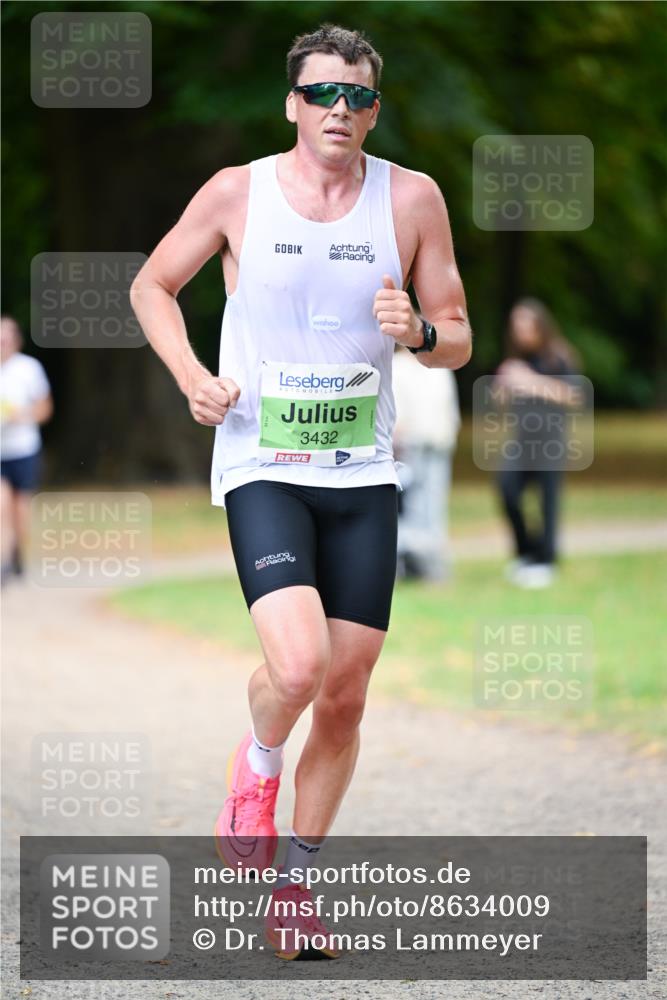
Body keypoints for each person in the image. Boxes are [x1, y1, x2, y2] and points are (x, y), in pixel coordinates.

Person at [130, 23, 471, 958]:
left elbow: (458, 330)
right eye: (322, 94)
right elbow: (153, 286)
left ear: (373, 110)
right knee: (296, 668)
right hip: (262, 461)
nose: (340, 111)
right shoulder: (238, 192)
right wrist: (194, 377)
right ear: (292, 103)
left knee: (349, 695)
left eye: (357, 98)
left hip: (362, 470)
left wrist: (419, 334)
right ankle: (257, 764)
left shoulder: (412, 198)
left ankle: (295, 887)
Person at [493, 298, 582, 589]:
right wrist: (504, 387)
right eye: (516, 326)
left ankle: (546, 561)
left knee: (548, 501)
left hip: (550, 441)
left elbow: (573, 396)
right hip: (521, 441)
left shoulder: (559, 356)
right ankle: (526, 553)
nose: (521, 331)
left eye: (526, 325)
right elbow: (500, 404)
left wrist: (530, 381)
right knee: (507, 489)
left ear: (541, 326)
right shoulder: (515, 361)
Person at [392, 345, 460, 581]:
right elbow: (395, 409)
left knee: (435, 503)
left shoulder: (439, 366)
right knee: (413, 506)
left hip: (438, 444)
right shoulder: (398, 366)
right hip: (411, 446)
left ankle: (433, 562)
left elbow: (448, 406)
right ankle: (412, 563)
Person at [0, 316, 53, 584]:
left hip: (24, 449)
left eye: (7, 337)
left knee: (21, 509)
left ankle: (17, 554)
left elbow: (45, 409)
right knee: (1, 505)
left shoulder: (29, 369)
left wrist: (23, 416)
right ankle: (4, 561)